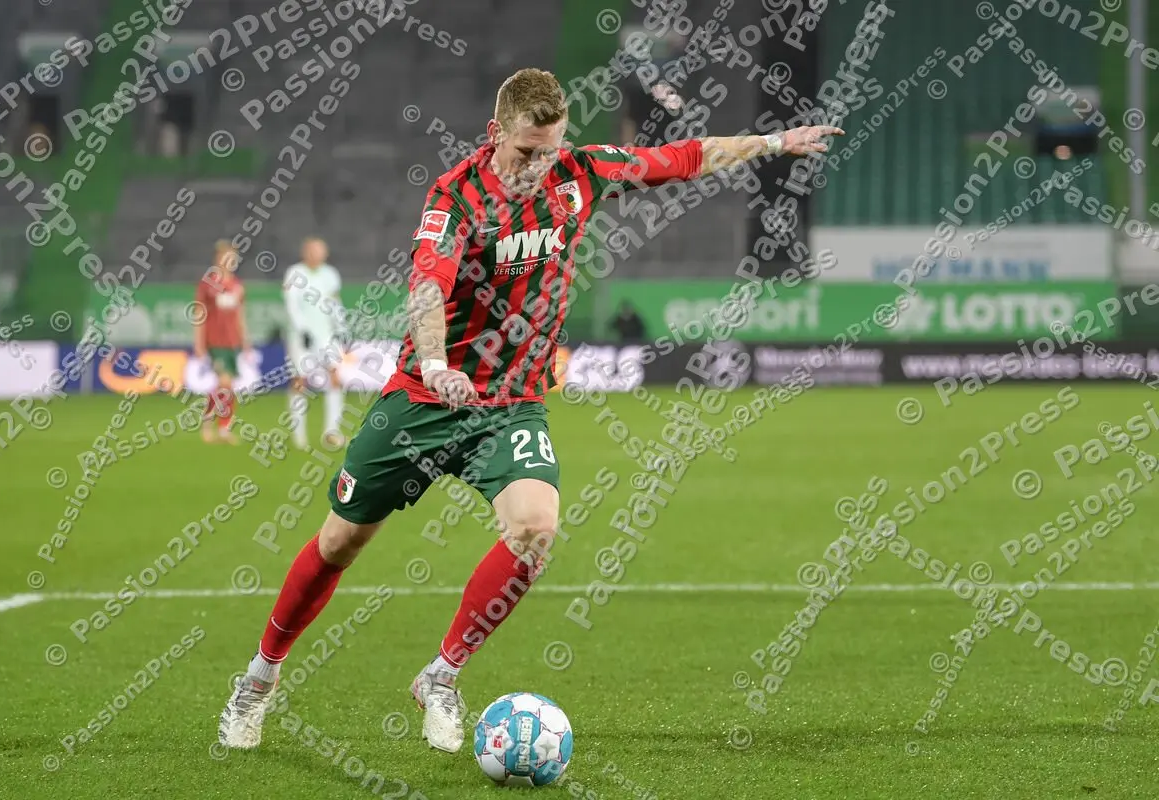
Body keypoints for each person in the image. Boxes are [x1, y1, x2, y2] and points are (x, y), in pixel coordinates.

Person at [218, 68, 841, 754]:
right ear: (495, 135)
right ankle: (258, 679)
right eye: (524, 152)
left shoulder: (581, 173)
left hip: (510, 404)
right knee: (340, 542)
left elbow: (683, 158)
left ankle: (442, 675)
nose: (537, 166)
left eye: (549, 150)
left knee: (536, 528)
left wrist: (775, 141)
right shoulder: (456, 196)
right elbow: (429, 286)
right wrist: (433, 363)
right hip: (425, 398)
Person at [283, 237, 346, 450]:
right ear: (305, 252)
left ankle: (332, 431)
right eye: (313, 251)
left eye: (320, 251)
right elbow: (292, 305)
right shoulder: (294, 273)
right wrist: (302, 329)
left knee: (335, 377)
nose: (317, 255)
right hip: (301, 337)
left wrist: (341, 328)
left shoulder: (330, 274)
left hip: (325, 335)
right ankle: (299, 435)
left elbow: (335, 303)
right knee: (300, 381)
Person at [194, 240, 246, 445]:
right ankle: (210, 423)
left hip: (233, 341)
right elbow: (199, 313)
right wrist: (198, 342)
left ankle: (222, 427)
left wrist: (246, 340)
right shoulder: (209, 283)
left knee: (228, 386)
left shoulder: (237, 286)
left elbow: (240, 314)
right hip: (214, 340)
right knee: (224, 382)